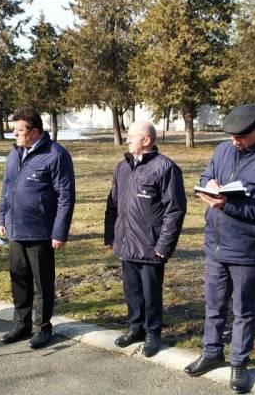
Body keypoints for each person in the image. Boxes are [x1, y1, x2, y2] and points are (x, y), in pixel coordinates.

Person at [184, 105, 255, 393]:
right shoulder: (222, 150)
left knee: (243, 309)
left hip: (248, 249)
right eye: (230, 136)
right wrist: (210, 185)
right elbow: (207, 176)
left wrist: (228, 203)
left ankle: (238, 362)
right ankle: (211, 352)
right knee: (213, 304)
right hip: (216, 242)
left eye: (241, 136)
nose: (235, 141)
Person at [104, 121, 187, 358]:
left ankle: (153, 333)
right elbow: (113, 205)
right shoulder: (122, 167)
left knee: (151, 292)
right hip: (126, 242)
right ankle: (135, 327)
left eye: (131, 137)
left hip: (151, 246)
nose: (127, 141)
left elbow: (175, 210)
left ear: (147, 141)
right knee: (131, 289)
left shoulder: (166, 168)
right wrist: (111, 236)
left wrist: (164, 246)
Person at [0, 106, 75, 349]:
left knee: (42, 282)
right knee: (18, 278)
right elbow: (7, 188)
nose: (14, 135)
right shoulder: (14, 154)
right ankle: (21, 324)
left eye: (19, 131)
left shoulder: (55, 155)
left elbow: (66, 195)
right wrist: (1, 218)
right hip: (15, 228)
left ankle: (43, 328)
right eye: (14, 130)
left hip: (41, 230)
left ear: (35, 131)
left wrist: (59, 232)